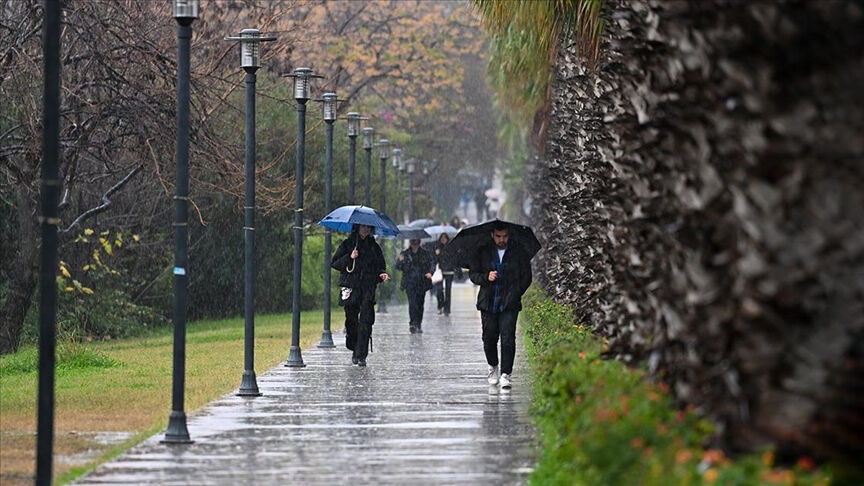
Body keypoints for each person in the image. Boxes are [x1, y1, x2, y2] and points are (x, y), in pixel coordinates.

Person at [468, 222, 532, 389]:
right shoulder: (482, 251)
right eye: (498, 236)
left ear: (509, 235)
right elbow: (473, 274)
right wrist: (485, 277)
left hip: (509, 302)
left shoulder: (518, 251)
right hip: (488, 301)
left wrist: (516, 291)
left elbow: (527, 276)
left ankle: (506, 374)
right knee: (489, 338)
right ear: (492, 235)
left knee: (508, 337)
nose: (501, 239)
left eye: (504, 236)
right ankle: (493, 366)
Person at [331, 224, 389, 367]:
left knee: (366, 320)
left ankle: (361, 354)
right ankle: (354, 346)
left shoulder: (374, 247)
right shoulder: (347, 244)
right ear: (357, 227)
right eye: (363, 227)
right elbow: (335, 263)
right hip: (351, 286)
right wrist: (349, 257)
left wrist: (381, 274)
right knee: (351, 320)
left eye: (368, 227)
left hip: (368, 287)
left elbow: (380, 266)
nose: (366, 229)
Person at [396, 238, 434, 334]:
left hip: (422, 282)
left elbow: (431, 264)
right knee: (412, 303)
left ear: (419, 243)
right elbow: (398, 267)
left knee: (420, 304)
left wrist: (430, 272)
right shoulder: (404, 253)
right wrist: (400, 261)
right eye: (413, 242)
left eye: (416, 242)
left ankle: (418, 323)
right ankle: (413, 323)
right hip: (410, 282)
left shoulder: (425, 253)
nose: (415, 244)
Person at [433, 233, 456, 316]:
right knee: (439, 290)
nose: (443, 240)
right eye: (442, 238)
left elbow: (454, 259)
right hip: (440, 272)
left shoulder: (451, 248)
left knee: (448, 291)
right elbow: (434, 260)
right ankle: (440, 305)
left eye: (445, 238)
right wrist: (437, 254)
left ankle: (447, 309)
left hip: (449, 272)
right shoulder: (438, 247)